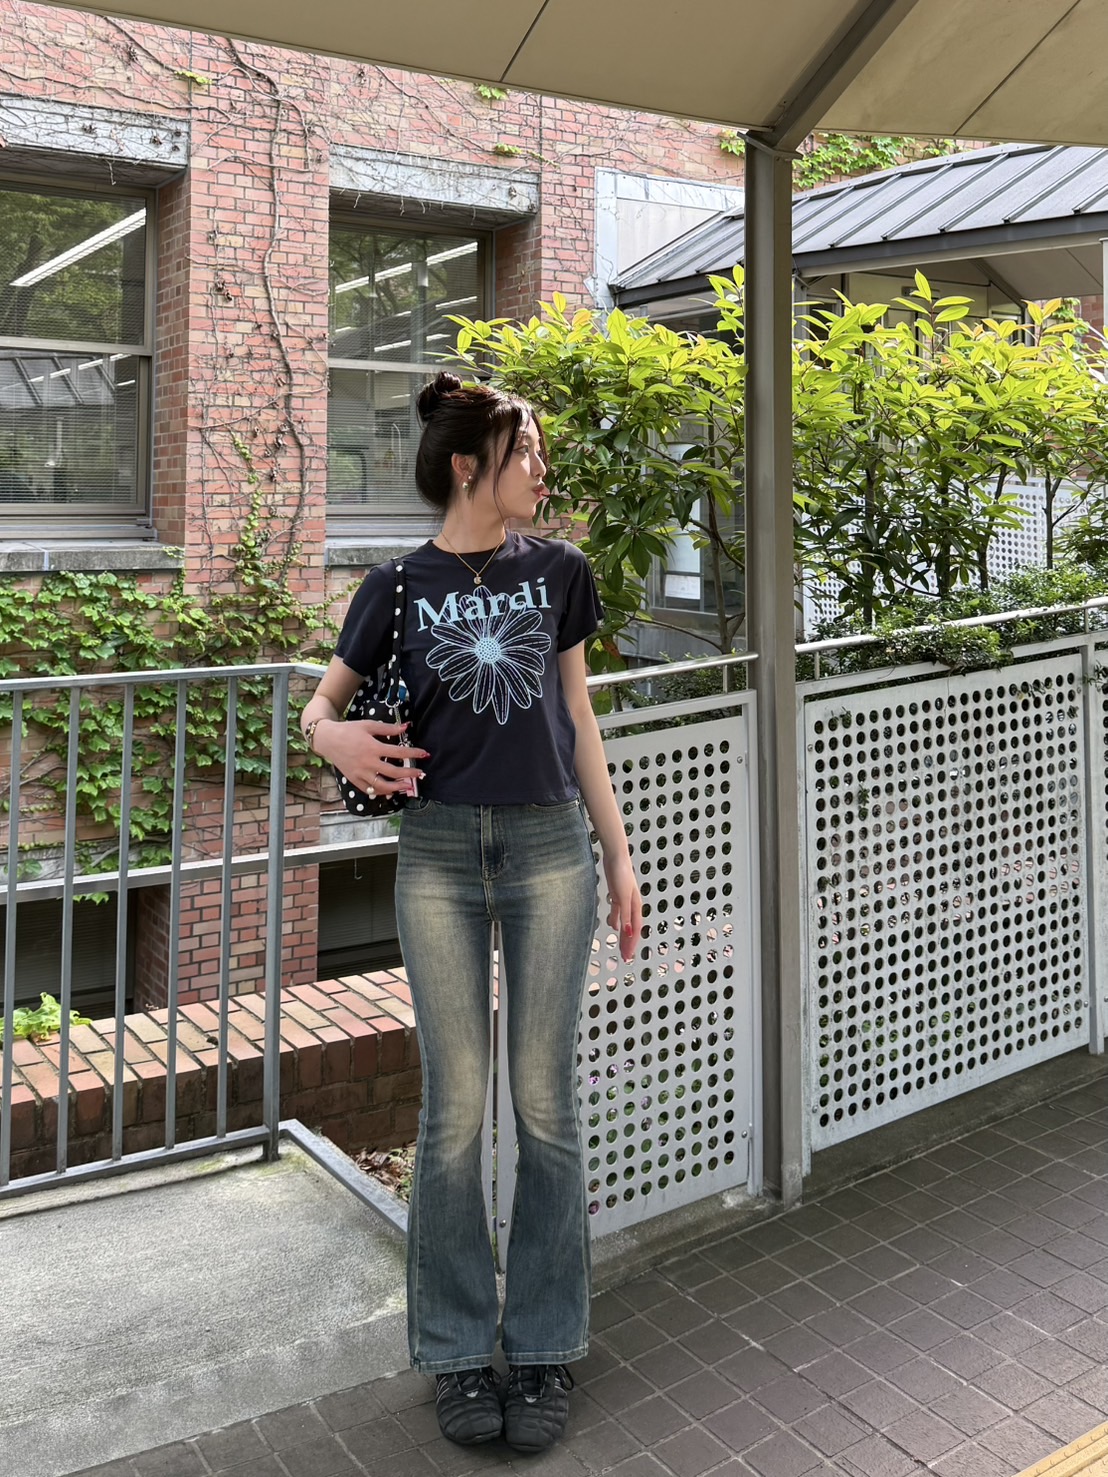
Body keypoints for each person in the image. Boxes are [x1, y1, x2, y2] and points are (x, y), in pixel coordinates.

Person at [300, 371, 643, 1453]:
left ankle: (540, 1345)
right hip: (440, 852)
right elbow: (321, 705)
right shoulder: (397, 585)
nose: (541, 468)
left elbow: (578, 717)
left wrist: (619, 858)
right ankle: (456, 1349)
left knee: (545, 1105)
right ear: (467, 467)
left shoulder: (561, 572)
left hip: (549, 849)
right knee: (453, 1114)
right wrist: (333, 736)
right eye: (523, 450)